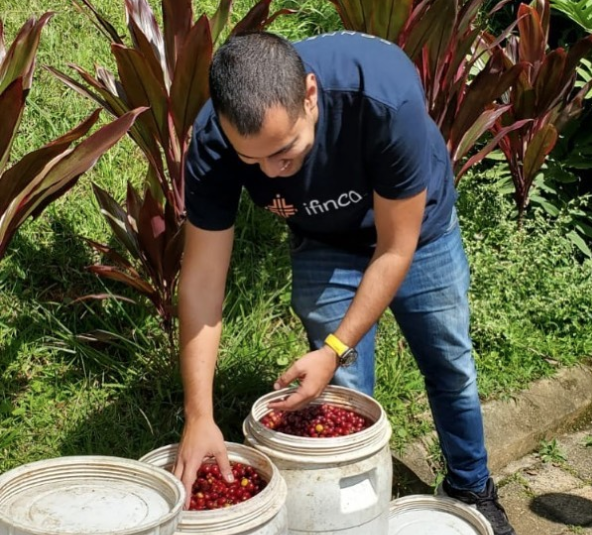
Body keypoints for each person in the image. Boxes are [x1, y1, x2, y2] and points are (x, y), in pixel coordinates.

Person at [173, 30, 516, 535]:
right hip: (324, 241)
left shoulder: (381, 92)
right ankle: (353, 517)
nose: (272, 171)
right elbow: (202, 279)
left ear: (310, 95)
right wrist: (198, 413)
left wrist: (334, 345)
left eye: (285, 151)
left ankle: (471, 485)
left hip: (419, 233)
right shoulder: (213, 142)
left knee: (449, 363)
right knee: (343, 392)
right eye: (254, 161)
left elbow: (395, 248)